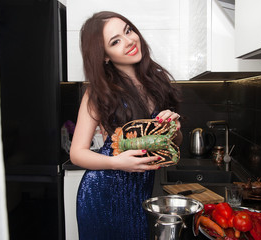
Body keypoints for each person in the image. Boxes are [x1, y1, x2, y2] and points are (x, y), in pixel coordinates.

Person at [70, 11, 182, 240]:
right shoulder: (98, 92)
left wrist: (174, 128)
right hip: (103, 192)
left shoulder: (158, 81)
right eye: (115, 41)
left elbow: (175, 143)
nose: (129, 41)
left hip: (139, 191)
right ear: (104, 56)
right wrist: (116, 162)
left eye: (128, 30)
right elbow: (77, 153)